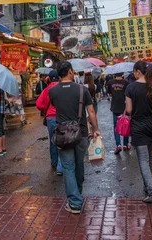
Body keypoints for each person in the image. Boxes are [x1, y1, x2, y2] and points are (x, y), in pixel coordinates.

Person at [49, 61, 100, 214]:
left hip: (63, 134)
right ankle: (77, 195)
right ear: (70, 72)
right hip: (81, 133)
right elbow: (91, 112)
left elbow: (54, 106)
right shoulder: (81, 90)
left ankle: (75, 201)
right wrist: (96, 129)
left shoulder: (53, 91)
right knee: (79, 165)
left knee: (68, 167)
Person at [125, 61, 152, 204]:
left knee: (143, 160)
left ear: (137, 71)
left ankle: (151, 191)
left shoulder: (131, 88)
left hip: (138, 126)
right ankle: (147, 187)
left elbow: (129, 110)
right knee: (150, 158)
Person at [36, 70, 63, 175]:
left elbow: (39, 104)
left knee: (53, 140)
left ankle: (54, 162)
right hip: (62, 116)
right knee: (62, 140)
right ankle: (60, 168)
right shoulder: (62, 88)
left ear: (49, 78)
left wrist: (45, 109)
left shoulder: (47, 89)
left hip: (50, 117)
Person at [106, 72, 130, 154]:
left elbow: (109, 93)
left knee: (116, 127)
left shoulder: (110, 82)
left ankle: (118, 145)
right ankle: (126, 144)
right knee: (126, 125)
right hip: (125, 107)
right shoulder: (126, 83)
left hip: (115, 106)